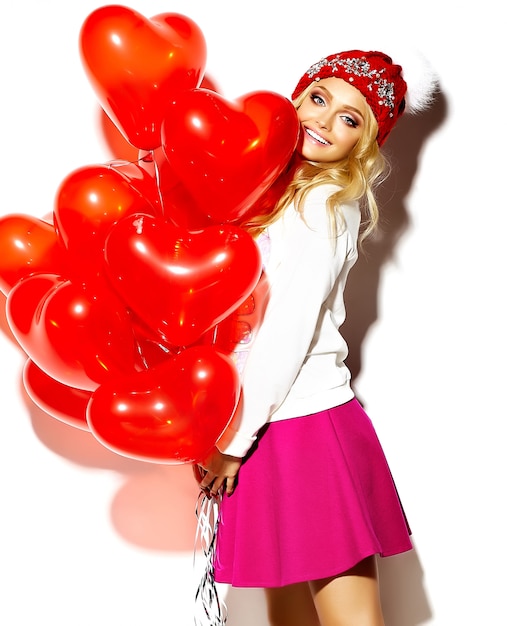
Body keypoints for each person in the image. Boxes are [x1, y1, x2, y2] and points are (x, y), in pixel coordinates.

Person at [197, 50, 435, 626]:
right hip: (266, 422)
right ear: (296, 98)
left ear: (362, 145)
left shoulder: (321, 202)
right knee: (287, 609)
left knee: (350, 617)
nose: (326, 122)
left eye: (352, 119)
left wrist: (234, 437)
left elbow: (287, 331)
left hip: (302, 420)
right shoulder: (270, 195)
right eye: (320, 98)